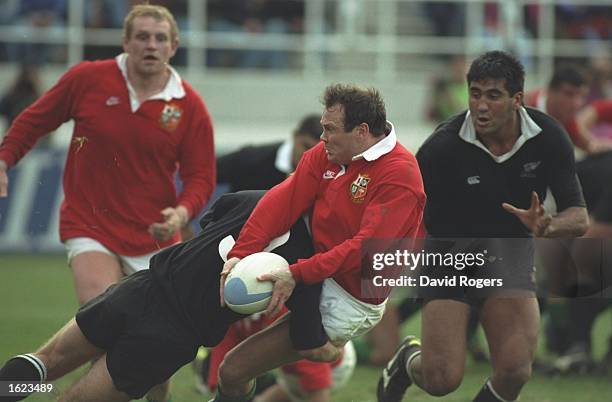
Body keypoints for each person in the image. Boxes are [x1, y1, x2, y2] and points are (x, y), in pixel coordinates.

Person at [0, 4, 215, 401]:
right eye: (142, 37)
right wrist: (4, 158)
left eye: (160, 38)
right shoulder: (88, 79)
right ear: (126, 41)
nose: (150, 45)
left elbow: (202, 176)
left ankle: (33, 380)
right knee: (105, 322)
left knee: (156, 350)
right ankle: (24, 385)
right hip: (90, 224)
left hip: (155, 238)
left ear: (174, 46)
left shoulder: (188, 104)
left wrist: (183, 212)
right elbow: (34, 121)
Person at [377, 51, 588, 402]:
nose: (481, 105)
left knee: (516, 371)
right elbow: (401, 206)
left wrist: (546, 226)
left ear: (517, 99)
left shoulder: (549, 137)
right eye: (475, 94)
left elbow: (578, 217)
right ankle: (406, 361)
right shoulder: (442, 147)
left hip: (510, 254)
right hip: (450, 255)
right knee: (442, 379)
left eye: (493, 95)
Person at [0, 190, 327, 402]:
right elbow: (309, 341)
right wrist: (335, 344)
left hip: (141, 288)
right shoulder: (307, 263)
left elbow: (214, 215)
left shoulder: (259, 198)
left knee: (45, 364)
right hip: (170, 334)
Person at [213, 83, 426, 402]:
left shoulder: (400, 175)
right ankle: (320, 349)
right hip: (317, 269)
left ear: (362, 131)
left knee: (233, 371)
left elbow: (362, 251)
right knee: (245, 205)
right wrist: (239, 255)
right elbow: (281, 201)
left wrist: (295, 275)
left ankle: (325, 349)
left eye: (330, 129)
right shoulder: (330, 152)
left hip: (350, 298)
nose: (322, 137)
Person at [217, 114, 321, 192]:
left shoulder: (327, 174)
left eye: (317, 151)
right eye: (306, 146)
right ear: (295, 135)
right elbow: (207, 173)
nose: (309, 155)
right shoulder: (251, 159)